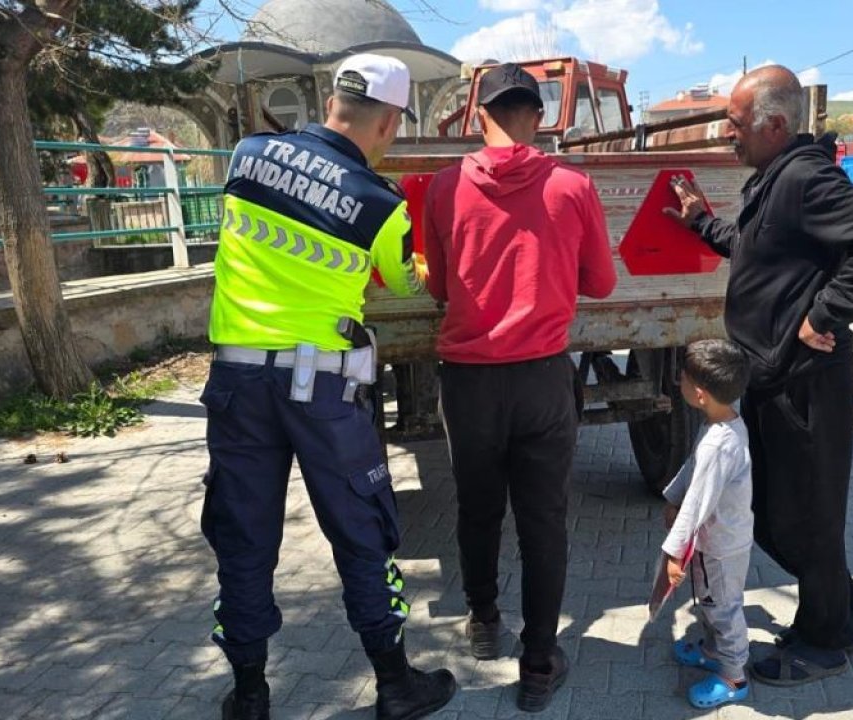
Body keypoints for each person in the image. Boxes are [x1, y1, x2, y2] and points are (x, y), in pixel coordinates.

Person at [200, 53, 457, 720]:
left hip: (236, 382)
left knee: (242, 537)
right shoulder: (381, 204)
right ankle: (395, 685)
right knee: (361, 535)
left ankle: (249, 696)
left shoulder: (248, 155)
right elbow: (405, 282)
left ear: (332, 102)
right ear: (390, 121)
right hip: (324, 391)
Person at [665, 65, 853, 686]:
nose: (727, 133)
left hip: (807, 382)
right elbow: (758, 249)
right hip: (774, 376)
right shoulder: (776, 179)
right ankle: (843, 613)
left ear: (774, 124)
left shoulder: (804, 178)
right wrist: (700, 223)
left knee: (805, 516)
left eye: (736, 123)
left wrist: (824, 314)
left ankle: (824, 641)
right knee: (781, 512)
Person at [423, 62, 618, 712]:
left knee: (477, 509)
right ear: (538, 118)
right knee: (544, 521)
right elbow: (602, 283)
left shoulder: (445, 187)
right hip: (541, 379)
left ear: (477, 116)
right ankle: (538, 664)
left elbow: (439, 286)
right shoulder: (571, 185)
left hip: (468, 383)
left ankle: (483, 620)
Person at [661, 339, 754, 710]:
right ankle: (714, 651)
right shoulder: (723, 421)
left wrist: (674, 552)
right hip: (717, 541)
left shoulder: (719, 443)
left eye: (682, 379)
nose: (678, 382)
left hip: (721, 546)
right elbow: (693, 471)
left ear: (699, 394)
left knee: (723, 608)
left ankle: (733, 674)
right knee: (711, 601)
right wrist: (673, 496)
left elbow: (699, 500)